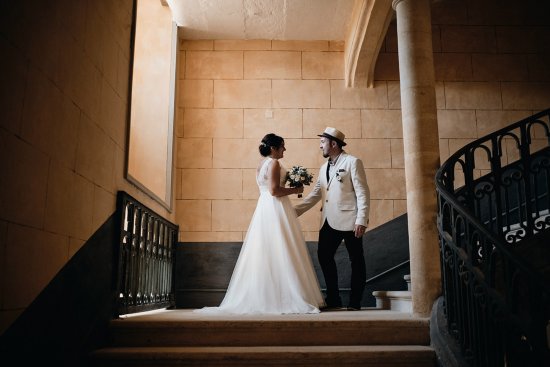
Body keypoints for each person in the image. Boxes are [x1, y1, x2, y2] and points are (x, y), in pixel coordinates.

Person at [196, 133, 325, 314]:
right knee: (282, 249)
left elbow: (267, 189)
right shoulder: (274, 163)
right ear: (273, 148)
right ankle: (284, 298)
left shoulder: (261, 164)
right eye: (282, 146)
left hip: (265, 209)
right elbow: (274, 191)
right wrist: (296, 189)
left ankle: (269, 296)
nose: (284, 149)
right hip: (275, 208)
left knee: (268, 250)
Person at [295, 127, 370, 311]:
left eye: (323, 142)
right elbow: (315, 194)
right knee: (324, 256)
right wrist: (292, 211)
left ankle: (355, 302)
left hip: (351, 220)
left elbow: (363, 192)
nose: (320, 146)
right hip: (328, 220)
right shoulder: (323, 168)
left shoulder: (353, 162)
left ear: (333, 143)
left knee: (356, 260)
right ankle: (334, 298)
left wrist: (362, 219)